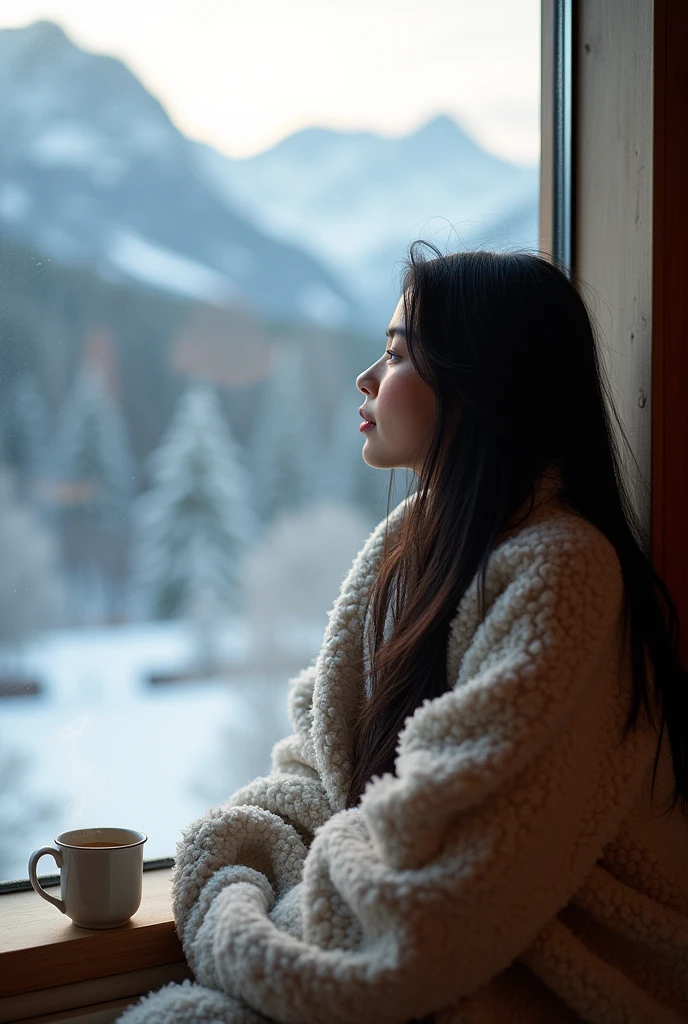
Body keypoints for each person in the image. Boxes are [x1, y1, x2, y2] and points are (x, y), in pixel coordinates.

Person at [116, 246, 688, 1024]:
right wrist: (238, 849)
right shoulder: (410, 546)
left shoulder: (562, 573)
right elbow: (321, 764)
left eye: (394, 353)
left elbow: (438, 909)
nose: (368, 378)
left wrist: (236, 911)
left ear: (483, 380)